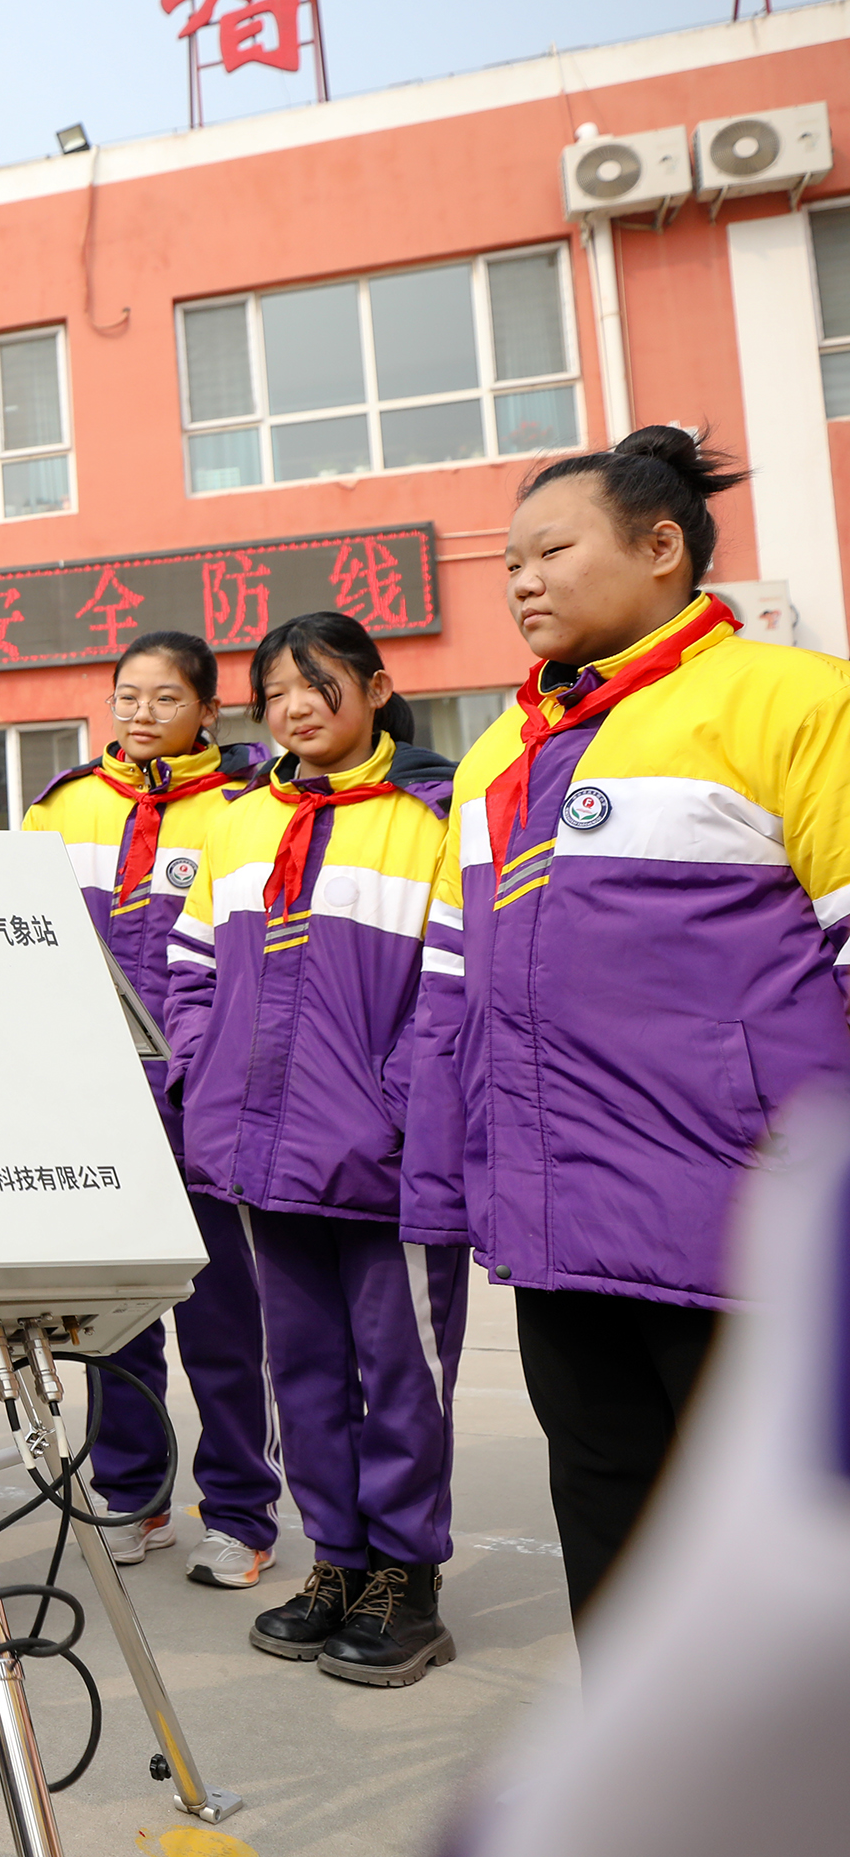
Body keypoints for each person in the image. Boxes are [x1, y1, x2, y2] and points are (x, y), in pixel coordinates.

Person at [404, 428, 850, 1624]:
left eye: (552, 551)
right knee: (610, 1525)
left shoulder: (794, 700)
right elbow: (450, 998)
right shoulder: (496, 757)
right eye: (509, 564)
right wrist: (451, 1190)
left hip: (748, 1229)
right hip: (557, 1231)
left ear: (662, 549)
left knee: (780, 1559)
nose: (522, 583)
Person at [166, 613, 463, 1687]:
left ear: (377, 689)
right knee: (303, 1372)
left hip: (386, 1164)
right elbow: (191, 973)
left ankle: (408, 1581)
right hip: (265, 1157)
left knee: (402, 1376)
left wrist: (395, 1105)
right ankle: (339, 1561)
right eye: (276, 692)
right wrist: (206, 1074)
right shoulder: (241, 820)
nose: (295, 708)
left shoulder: (432, 818)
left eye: (318, 684)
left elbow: (453, 988)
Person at [22, 631, 283, 1595]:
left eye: (165, 698)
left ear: (209, 711)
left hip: (201, 1106)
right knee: (114, 1324)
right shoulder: (62, 807)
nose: (141, 714)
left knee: (223, 1322)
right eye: (127, 696)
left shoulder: (246, 808)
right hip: (96, 1107)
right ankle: (133, 1496)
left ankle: (241, 1513)